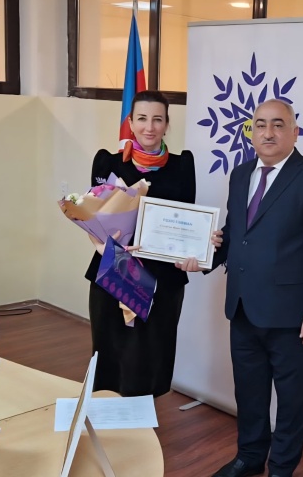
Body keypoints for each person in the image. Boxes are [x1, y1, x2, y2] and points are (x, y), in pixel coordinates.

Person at [178, 99, 303, 477]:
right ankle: (250, 457)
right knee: (249, 392)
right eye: (260, 125)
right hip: (242, 306)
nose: (268, 133)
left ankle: (281, 468)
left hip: (292, 314)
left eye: (278, 125)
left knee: (293, 399)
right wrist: (203, 256)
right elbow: (237, 235)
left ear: (294, 132)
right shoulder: (241, 174)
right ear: (251, 132)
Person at [85, 90, 196, 397]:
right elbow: (94, 218)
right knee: (110, 354)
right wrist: (105, 246)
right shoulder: (107, 163)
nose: (150, 127)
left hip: (164, 279)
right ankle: (110, 415)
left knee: (153, 355)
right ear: (131, 123)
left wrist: (192, 250)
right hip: (113, 273)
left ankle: (144, 419)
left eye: (157, 119)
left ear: (167, 124)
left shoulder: (183, 165)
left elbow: (187, 220)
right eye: (142, 119)